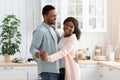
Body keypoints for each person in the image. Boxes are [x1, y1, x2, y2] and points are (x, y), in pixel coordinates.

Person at [30, 5, 60, 80]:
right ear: (44, 16)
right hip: (47, 72)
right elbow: (33, 48)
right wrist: (39, 54)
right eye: (52, 16)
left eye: (56, 15)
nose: (55, 18)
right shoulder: (40, 30)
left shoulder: (53, 29)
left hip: (56, 70)